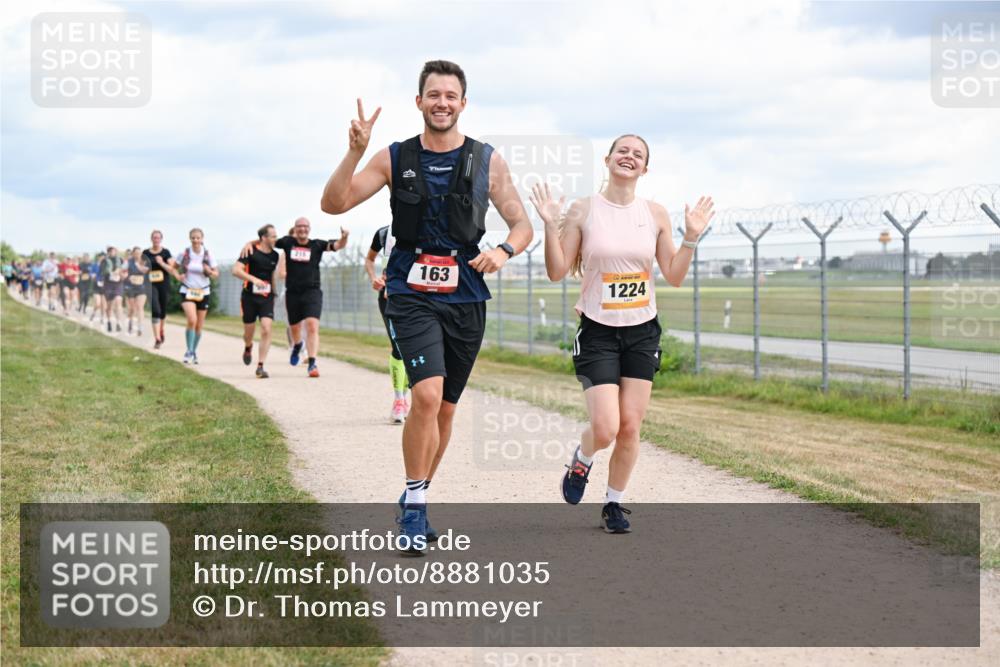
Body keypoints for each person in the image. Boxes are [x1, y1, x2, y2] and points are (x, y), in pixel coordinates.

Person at [320, 60, 533, 554]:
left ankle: (416, 492)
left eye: (450, 95)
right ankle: (414, 508)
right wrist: (352, 154)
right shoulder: (393, 157)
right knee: (427, 396)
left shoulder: (487, 160)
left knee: (447, 409)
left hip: (466, 294)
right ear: (419, 102)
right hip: (411, 292)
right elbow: (334, 205)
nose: (441, 102)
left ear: (462, 103)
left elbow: (522, 225)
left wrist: (503, 251)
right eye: (432, 94)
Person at [529, 134, 714, 533]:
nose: (629, 157)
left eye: (638, 154)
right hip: (597, 331)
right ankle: (583, 457)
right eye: (623, 151)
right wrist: (548, 224)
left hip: (641, 331)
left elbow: (675, 275)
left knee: (630, 425)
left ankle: (614, 503)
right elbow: (557, 270)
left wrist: (691, 237)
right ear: (608, 159)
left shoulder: (656, 214)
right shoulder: (584, 209)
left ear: (645, 168)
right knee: (606, 428)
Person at [242, 218, 349, 378]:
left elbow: (337, 245)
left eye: (305, 226)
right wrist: (249, 243)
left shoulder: (317, 245)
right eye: (299, 227)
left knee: (312, 325)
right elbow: (268, 240)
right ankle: (298, 345)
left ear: (309, 228)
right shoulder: (287, 242)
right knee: (295, 327)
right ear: (295, 228)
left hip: (312, 291)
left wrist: (344, 237)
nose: (302, 229)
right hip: (292, 293)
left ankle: (312, 362)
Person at [365, 224, 410, 423]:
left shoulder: (424, 225)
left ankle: (408, 397)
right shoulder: (383, 233)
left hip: (418, 297)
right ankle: (399, 400)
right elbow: (369, 259)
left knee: (415, 349)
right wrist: (374, 278)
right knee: (398, 346)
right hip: (389, 297)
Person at [232, 224, 284, 378]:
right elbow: (235, 270)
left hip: (267, 297)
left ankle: (260, 366)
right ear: (264, 238)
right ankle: (248, 347)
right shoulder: (250, 251)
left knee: (267, 328)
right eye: (273, 236)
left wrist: (274, 292)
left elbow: (272, 276)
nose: (276, 238)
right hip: (249, 297)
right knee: (249, 331)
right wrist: (254, 280)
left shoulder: (275, 255)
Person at [166, 228, 219, 364]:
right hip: (187, 290)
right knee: (192, 320)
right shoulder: (184, 253)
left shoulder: (208, 255)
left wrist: (209, 271)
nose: (196, 240)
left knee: (199, 325)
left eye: (198, 238)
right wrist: (178, 276)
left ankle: (194, 351)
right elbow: (173, 268)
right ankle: (189, 350)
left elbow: (216, 274)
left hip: (203, 291)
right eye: (193, 238)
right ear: (190, 238)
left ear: (202, 239)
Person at [142, 231, 174, 349]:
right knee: (155, 309)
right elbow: (141, 267)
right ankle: (157, 339)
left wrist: (162, 263)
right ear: (151, 239)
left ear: (161, 239)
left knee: (163, 311)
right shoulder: (145, 253)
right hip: (150, 284)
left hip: (163, 284)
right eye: (154, 238)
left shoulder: (166, 252)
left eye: (158, 238)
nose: (156, 239)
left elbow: (172, 268)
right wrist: (144, 268)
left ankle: (161, 330)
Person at [100, 247, 126, 332]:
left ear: (116, 252)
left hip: (118, 284)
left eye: (114, 251)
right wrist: (110, 272)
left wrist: (122, 273)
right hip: (108, 285)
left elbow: (125, 270)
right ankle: (109, 322)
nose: (112, 253)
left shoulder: (121, 260)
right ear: (108, 252)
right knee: (109, 306)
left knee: (118, 302)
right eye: (110, 251)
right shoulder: (104, 261)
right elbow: (102, 272)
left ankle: (118, 323)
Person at [125, 247, 149, 336]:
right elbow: (122, 272)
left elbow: (145, 270)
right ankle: (130, 323)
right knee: (132, 309)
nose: (138, 254)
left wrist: (138, 265)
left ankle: (140, 328)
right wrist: (126, 276)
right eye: (136, 253)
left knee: (139, 307)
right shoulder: (128, 262)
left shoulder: (144, 261)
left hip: (141, 288)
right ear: (133, 254)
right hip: (130, 288)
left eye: (139, 253)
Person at [90, 252, 106, 323]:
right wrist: (92, 276)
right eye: (101, 257)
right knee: (98, 303)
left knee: (103, 303)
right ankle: (93, 313)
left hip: (105, 286)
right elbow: (91, 273)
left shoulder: (107, 265)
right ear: (98, 257)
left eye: (103, 257)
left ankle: (102, 317)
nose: (102, 258)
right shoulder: (94, 265)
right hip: (96, 285)